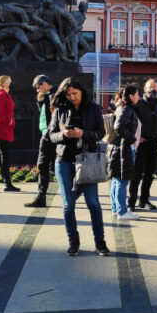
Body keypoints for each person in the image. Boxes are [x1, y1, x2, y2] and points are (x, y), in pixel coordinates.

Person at [47, 77, 110, 256]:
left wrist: (84, 133)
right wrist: (64, 134)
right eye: (68, 94)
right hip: (64, 160)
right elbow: (51, 135)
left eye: (75, 93)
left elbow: (101, 133)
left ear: (82, 91)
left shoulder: (93, 108)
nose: (72, 97)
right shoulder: (60, 109)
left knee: (93, 203)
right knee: (68, 204)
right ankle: (73, 242)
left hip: (87, 160)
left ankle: (100, 242)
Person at [128, 79, 157, 211]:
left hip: (154, 143)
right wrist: (138, 137)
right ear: (144, 89)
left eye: (155, 87)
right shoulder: (138, 103)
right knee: (137, 174)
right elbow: (132, 121)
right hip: (141, 143)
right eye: (150, 87)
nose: (153, 90)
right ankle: (131, 202)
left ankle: (144, 200)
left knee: (150, 174)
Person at [109, 85, 141, 222]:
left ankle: (117, 210)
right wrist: (132, 138)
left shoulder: (123, 108)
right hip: (124, 149)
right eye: (137, 94)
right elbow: (118, 127)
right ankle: (122, 211)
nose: (138, 96)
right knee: (122, 180)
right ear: (131, 96)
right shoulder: (127, 109)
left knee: (117, 180)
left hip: (119, 148)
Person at [25, 75, 55, 208]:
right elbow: (43, 114)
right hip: (47, 133)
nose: (37, 90)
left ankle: (41, 197)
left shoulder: (54, 95)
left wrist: (49, 133)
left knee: (43, 165)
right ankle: (75, 189)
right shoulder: (48, 96)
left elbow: (54, 116)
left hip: (50, 136)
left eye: (38, 87)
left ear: (43, 84)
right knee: (52, 166)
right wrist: (40, 101)